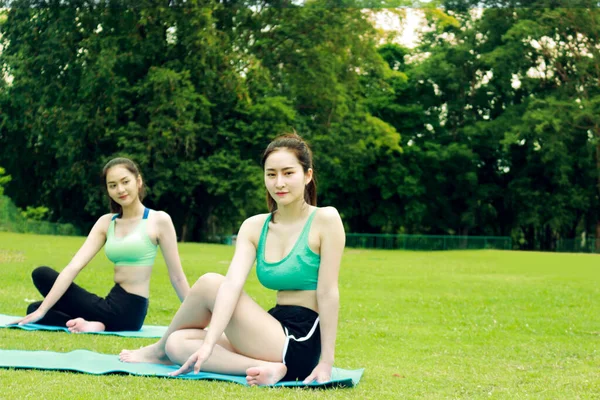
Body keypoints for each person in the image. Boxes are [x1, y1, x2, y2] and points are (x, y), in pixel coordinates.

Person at [119, 133, 345, 385]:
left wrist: (326, 363)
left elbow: (327, 293)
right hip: (272, 329)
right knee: (178, 343)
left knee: (209, 282)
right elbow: (232, 285)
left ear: (308, 175)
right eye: (271, 174)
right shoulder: (254, 227)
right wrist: (209, 342)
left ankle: (158, 351)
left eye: (288, 173)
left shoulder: (326, 220)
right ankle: (267, 367)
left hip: (300, 341)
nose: (279, 182)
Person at [13, 157, 190, 333]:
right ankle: (96, 324)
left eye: (125, 182)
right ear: (108, 190)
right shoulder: (107, 222)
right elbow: (74, 266)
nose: (120, 189)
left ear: (138, 181)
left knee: (41, 276)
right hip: (110, 304)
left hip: (130, 310)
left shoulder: (158, 220)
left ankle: (99, 323)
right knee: (35, 309)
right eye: (112, 185)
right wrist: (43, 310)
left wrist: (200, 319)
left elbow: (177, 277)